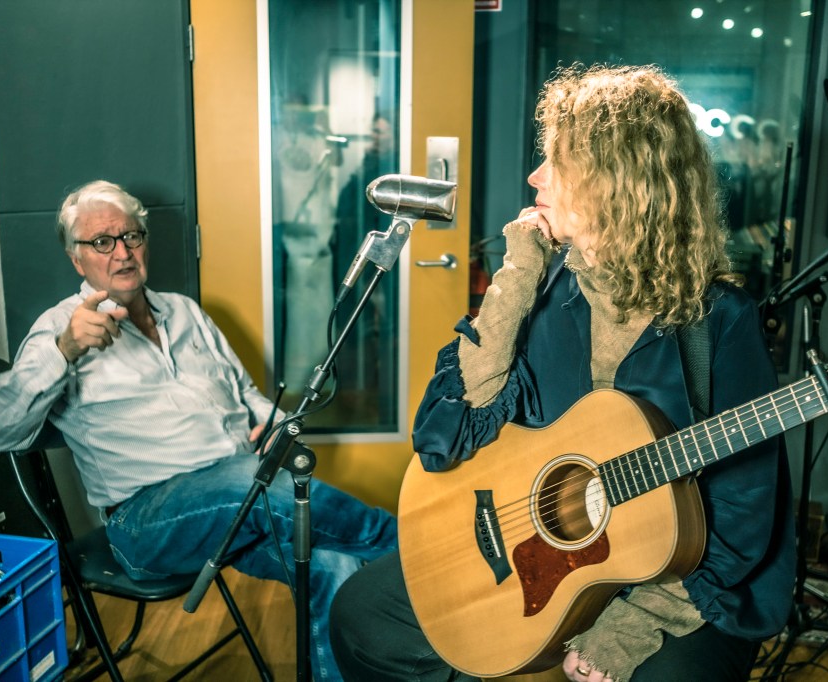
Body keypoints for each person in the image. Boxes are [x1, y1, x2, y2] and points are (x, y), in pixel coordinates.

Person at [329, 64, 795, 681]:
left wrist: (628, 630)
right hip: (538, 553)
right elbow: (445, 436)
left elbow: (743, 514)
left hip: (673, 581)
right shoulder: (546, 286)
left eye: (558, 162)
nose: (535, 177)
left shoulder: (720, 323)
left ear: (619, 182)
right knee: (363, 617)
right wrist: (518, 274)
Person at [0, 179, 398, 681]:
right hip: (146, 521)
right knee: (259, 486)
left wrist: (271, 424)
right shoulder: (61, 327)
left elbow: (246, 393)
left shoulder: (186, 312)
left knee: (333, 568)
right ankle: (407, 546)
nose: (122, 252)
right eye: (102, 242)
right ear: (76, 259)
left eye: (131, 236)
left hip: (241, 496)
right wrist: (62, 352)